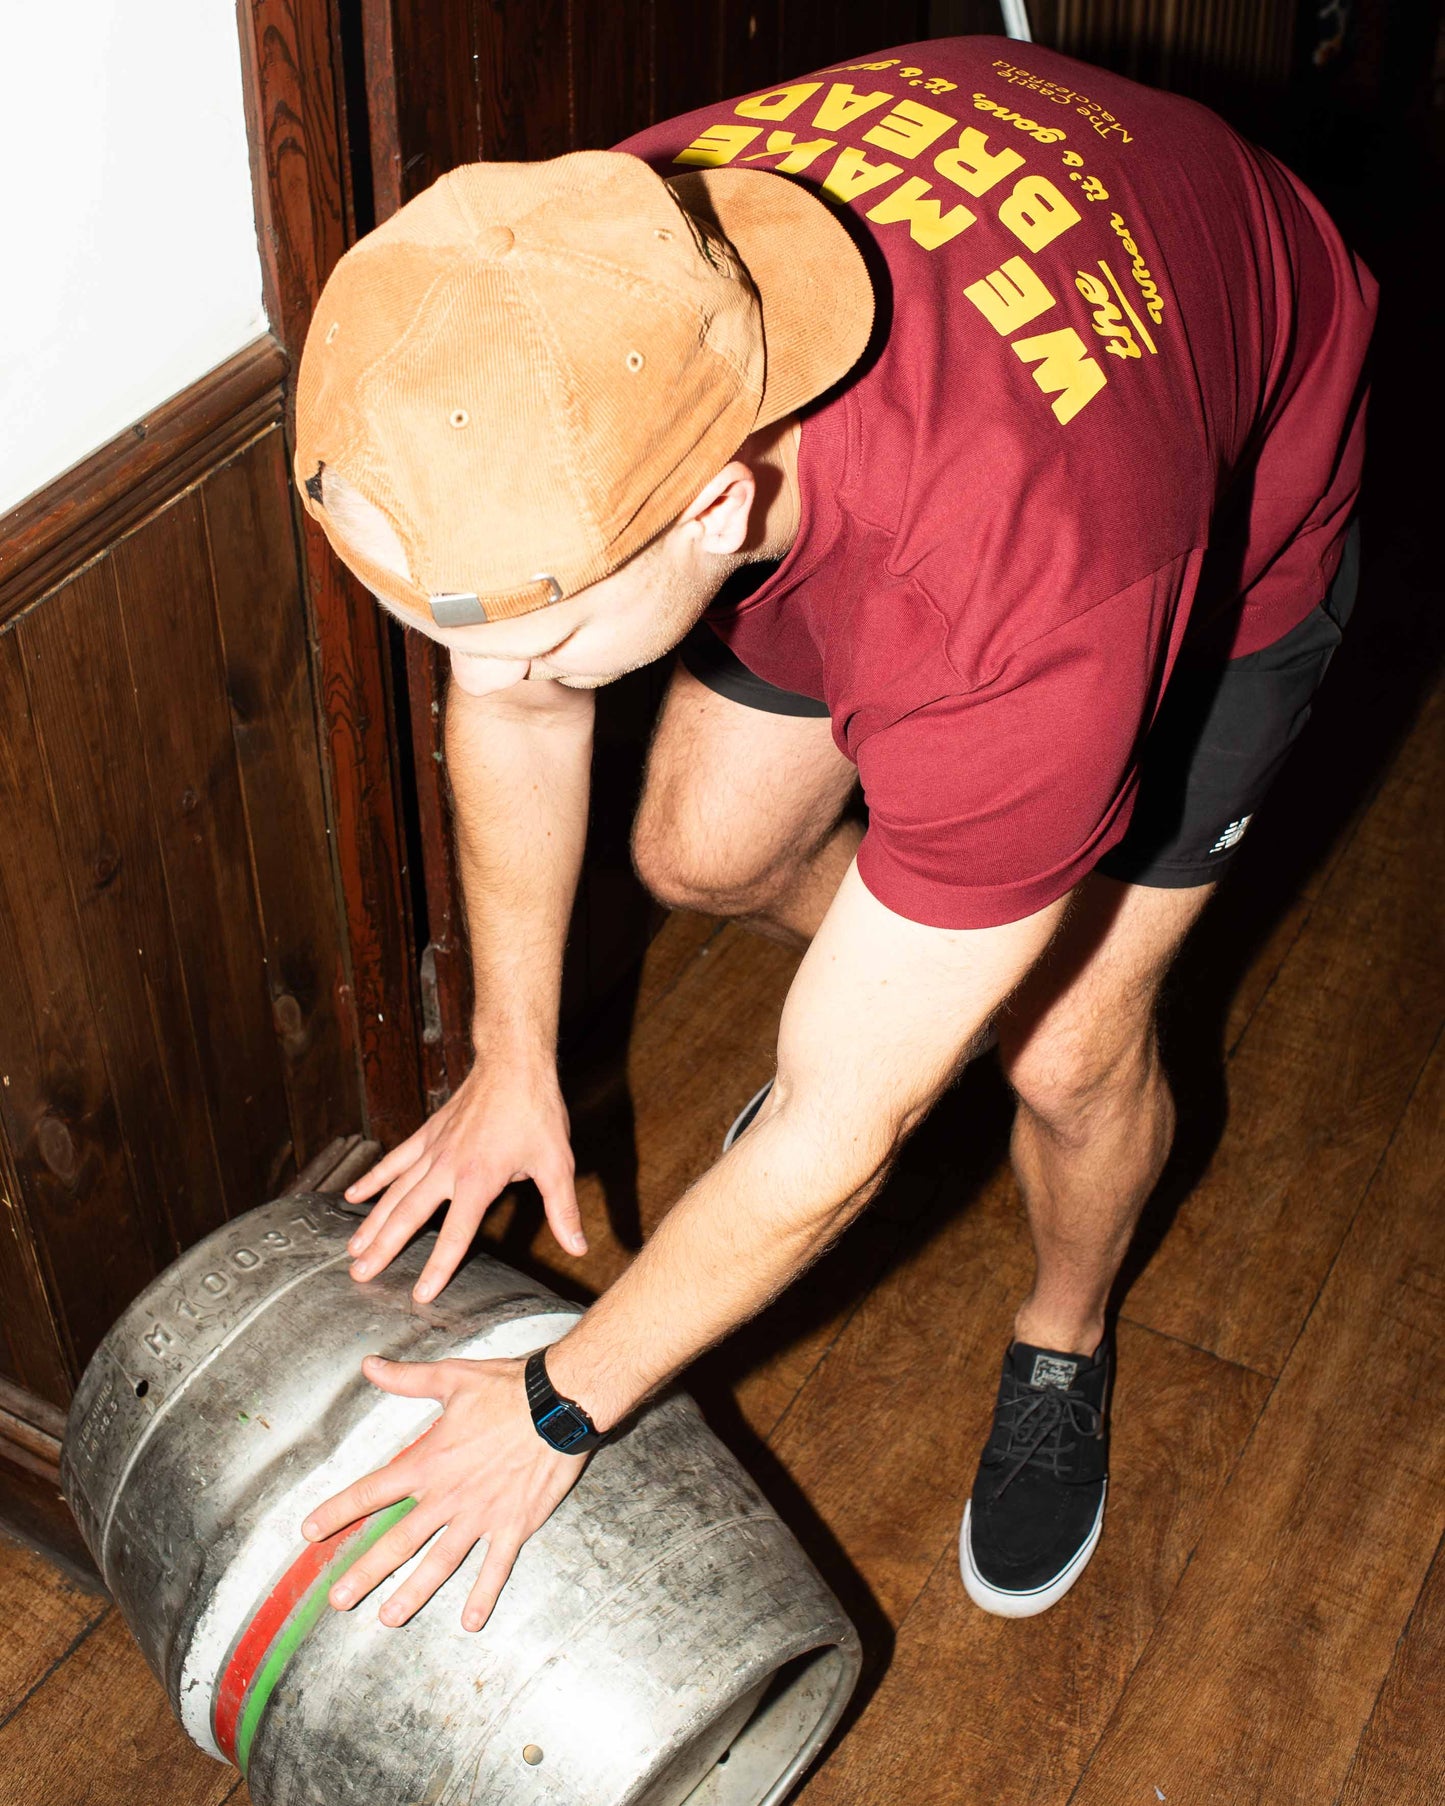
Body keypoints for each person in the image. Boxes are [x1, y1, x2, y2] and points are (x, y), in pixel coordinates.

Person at [291, 36, 1376, 1633]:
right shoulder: (580, 268)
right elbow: (515, 700)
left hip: (1204, 485)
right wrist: (511, 1055)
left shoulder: (1032, 614)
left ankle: (1063, 1329)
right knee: (698, 854)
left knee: (1065, 1049)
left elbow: (819, 1148)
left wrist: (553, 1406)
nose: (491, 678)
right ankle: (921, 1005)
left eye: (531, 632)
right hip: (918, 393)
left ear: (714, 513)